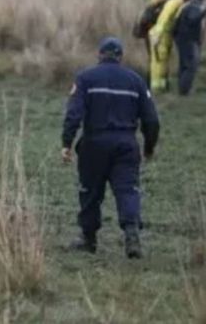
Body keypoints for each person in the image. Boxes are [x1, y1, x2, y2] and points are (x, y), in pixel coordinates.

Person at [61, 37, 160, 259]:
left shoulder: (85, 78)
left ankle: (88, 239)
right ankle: (132, 233)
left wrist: (67, 143)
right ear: (120, 57)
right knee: (127, 190)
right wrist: (149, 147)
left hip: (94, 144)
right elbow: (152, 120)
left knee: (90, 192)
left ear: (99, 55)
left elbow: (73, 114)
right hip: (126, 144)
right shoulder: (136, 81)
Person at [148, 0, 189, 91]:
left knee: (163, 60)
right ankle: (156, 87)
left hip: (164, 35)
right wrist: (157, 35)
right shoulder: (175, 3)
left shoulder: (176, 3)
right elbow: (164, 19)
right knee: (159, 61)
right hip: (160, 35)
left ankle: (162, 84)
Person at [173, 0, 206, 95]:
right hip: (189, 40)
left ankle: (182, 88)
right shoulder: (194, 8)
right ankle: (185, 90)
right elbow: (192, 21)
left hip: (181, 38)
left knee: (183, 64)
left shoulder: (186, 6)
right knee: (191, 65)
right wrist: (203, 13)